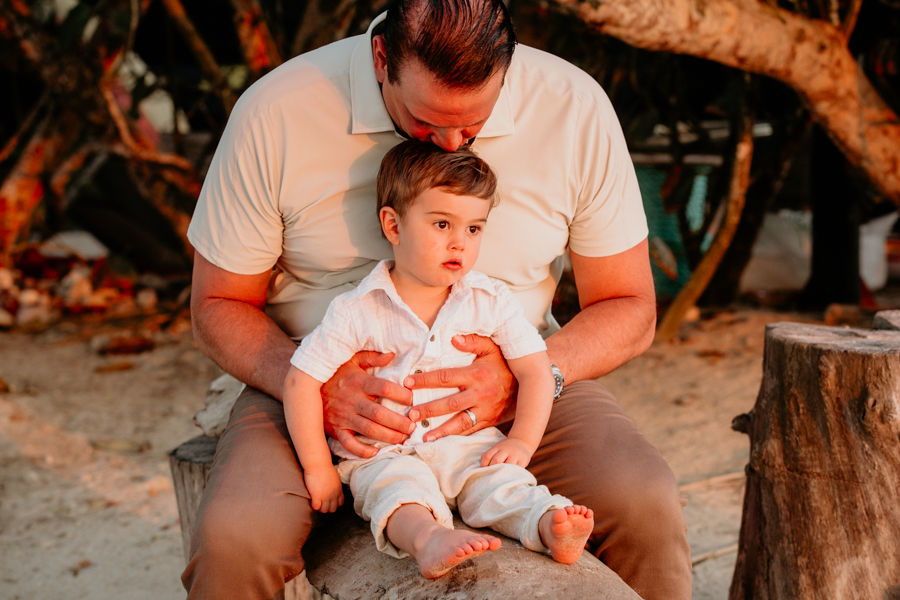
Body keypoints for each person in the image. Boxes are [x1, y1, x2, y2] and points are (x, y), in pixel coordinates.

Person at [184, 1, 692, 598]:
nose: (453, 143)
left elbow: (630, 305)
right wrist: (317, 385)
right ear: (382, 60)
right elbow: (216, 305)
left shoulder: (573, 107)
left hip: (516, 371)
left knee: (646, 503)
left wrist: (530, 375)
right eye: (427, 119)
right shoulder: (276, 111)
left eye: (474, 121)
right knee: (235, 538)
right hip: (310, 366)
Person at [284, 140, 594, 578]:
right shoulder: (358, 309)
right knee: (397, 496)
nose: (459, 244)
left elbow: (536, 369)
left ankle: (548, 526)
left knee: (501, 484)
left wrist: (521, 440)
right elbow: (300, 382)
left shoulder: (488, 300)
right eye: (442, 224)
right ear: (393, 225)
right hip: (384, 453)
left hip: (468, 446)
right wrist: (318, 468)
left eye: (473, 229)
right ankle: (431, 540)